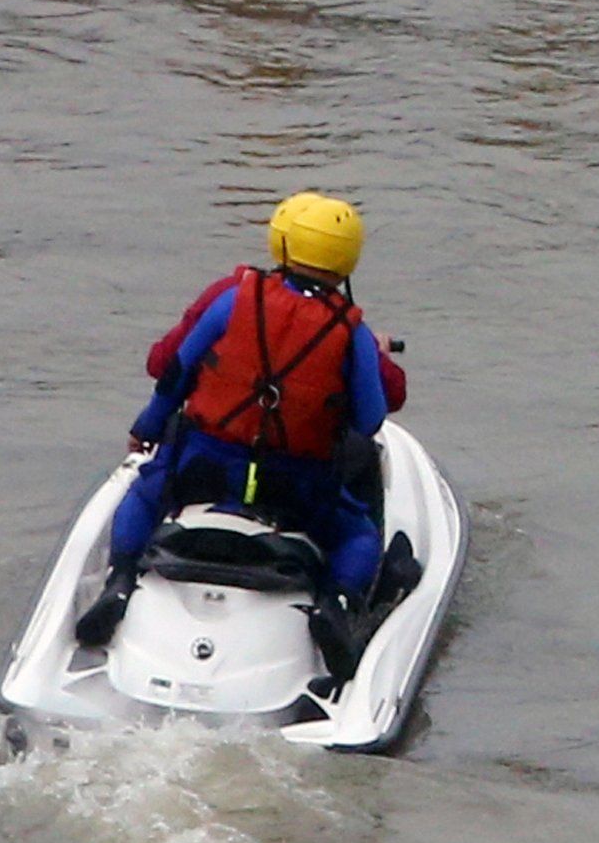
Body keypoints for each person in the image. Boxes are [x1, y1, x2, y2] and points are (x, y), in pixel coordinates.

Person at [74, 192, 399, 681]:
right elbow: (370, 420)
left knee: (145, 491)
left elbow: (176, 372)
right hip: (294, 490)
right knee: (359, 533)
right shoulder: (349, 332)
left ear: (282, 242)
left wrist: (145, 426)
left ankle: (119, 582)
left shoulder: (233, 298)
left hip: (203, 471)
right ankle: (336, 605)